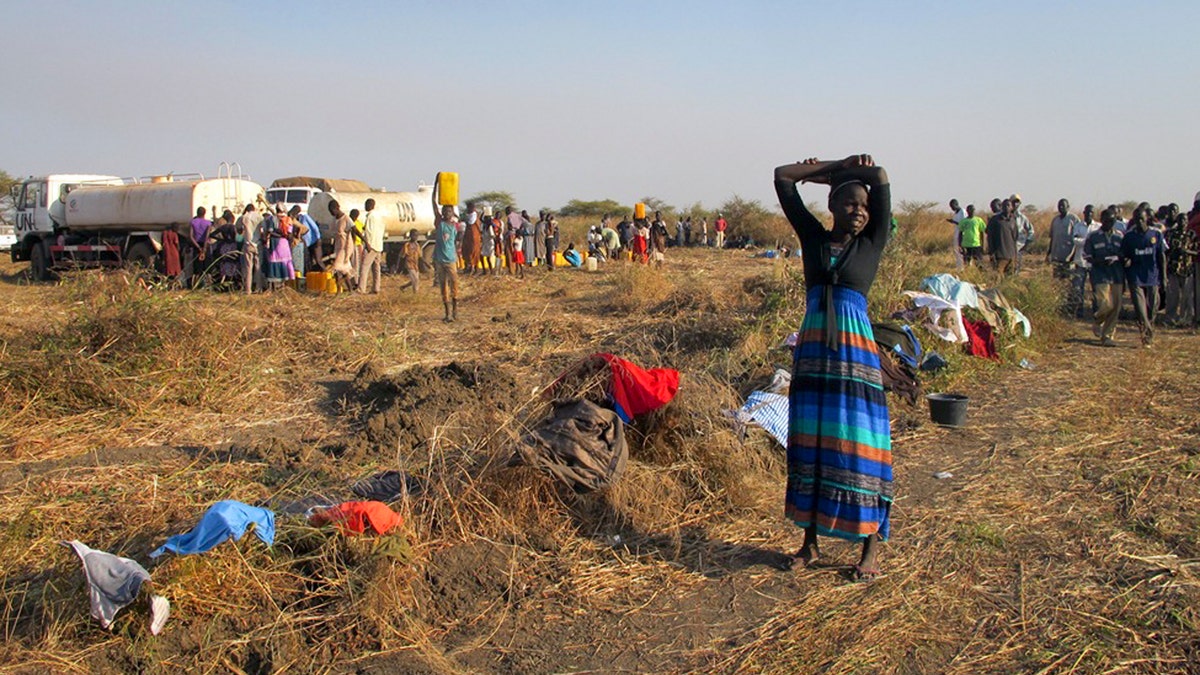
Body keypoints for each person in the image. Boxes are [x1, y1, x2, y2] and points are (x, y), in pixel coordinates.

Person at [774, 154, 893, 581]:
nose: (859, 211)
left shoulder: (873, 242)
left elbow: (879, 178)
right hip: (814, 354)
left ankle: (870, 549)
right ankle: (809, 544)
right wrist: (834, 167)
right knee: (813, 444)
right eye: (848, 204)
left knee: (859, 443)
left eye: (863, 205)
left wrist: (852, 175)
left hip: (856, 355)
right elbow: (783, 179)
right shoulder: (814, 239)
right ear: (831, 206)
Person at [1121, 206, 1166, 347]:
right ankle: (1147, 336)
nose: (1139, 222)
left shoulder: (1156, 234)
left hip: (1152, 276)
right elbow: (1123, 254)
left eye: (1141, 219)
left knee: (1153, 307)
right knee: (1141, 309)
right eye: (1136, 219)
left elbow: (1161, 256)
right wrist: (1125, 259)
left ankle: (1148, 327)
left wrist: (1163, 277)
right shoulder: (1129, 236)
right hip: (1135, 277)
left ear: (1147, 219)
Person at [1084, 208, 1125, 346]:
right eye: (1107, 220)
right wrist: (1100, 261)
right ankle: (1097, 320)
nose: (1109, 223)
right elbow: (1087, 256)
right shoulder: (1093, 236)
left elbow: (1125, 254)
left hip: (1116, 274)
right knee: (1105, 304)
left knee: (1116, 306)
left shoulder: (1119, 236)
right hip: (1100, 274)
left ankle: (1107, 336)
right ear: (1102, 220)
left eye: (1112, 221)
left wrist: (1118, 258)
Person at [1164, 207, 1198, 326]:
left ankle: (1186, 319)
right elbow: (1165, 251)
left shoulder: (1191, 234)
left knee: (1187, 297)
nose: (1182, 222)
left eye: (1184, 220)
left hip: (1187, 269)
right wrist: (1174, 252)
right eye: (1180, 220)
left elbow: (1197, 251)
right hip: (1173, 269)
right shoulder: (1170, 234)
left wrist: (1186, 252)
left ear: (1187, 221)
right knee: (1172, 296)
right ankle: (1170, 319)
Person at [328, 199, 357, 293]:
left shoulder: (346, 218)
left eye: (332, 210)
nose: (331, 213)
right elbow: (334, 234)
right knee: (344, 270)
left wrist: (363, 243)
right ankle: (348, 290)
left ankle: (339, 288)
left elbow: (355, 231)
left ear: (336, 208)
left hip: (345, 247)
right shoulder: (334, 220)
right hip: (338, 246)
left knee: (336, 267)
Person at [988, 199, 1020, 276]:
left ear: (1012, 207)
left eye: (1008, 205)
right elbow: (990, 237)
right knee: (998, 278)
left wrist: (1015, 257)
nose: (1007, 207)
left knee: (1010, 279)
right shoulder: (995, 220)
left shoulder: (1013, 221)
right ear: (1001, 207)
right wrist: (992, 254)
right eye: (1005, 205)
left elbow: (1015, 238)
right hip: (999, 256)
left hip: (1011, 256)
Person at [236, 204, 263, 294]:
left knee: (248, 267)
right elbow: (264, 230)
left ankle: (248, 289)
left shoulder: (244, 217)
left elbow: (239, 230)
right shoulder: (259, 217)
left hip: (248, 244)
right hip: (258, 244)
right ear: (254, 209)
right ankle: (258, 288)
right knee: (258, 267)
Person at [358, 198, 384, 294]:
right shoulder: (379, 216)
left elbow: (369, 232)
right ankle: (376, 288)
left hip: (371, 245)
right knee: (376, 268)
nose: (365, 206)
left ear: (369, 205)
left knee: (364, 267)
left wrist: (367, 244)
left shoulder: (370, 217)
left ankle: (361, 289)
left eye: (366, 205)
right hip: (379, 244)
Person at [289, 205, 323, 273]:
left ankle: (327, 275)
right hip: (307, 244)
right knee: (308, 262)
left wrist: (318, 238)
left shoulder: (305, 217)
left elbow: (315, 228)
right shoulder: (294, 221)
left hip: (314, 241)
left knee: (318, 260)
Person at [1010, 194, 1034, 272]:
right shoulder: (1005, 216)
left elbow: (1031, 231)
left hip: (1018, 246)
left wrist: (1026, 244)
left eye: (1017, 202)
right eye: (1014, 202)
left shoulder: (1022, 217)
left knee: (1016, 267)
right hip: (1007, 247)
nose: (1015, 204)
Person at [462, 203, 481, 274]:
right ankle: (469, 267)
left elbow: (471, 222)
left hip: (474, 237)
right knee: (467, 250)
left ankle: (474, 267)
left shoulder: (474, 215)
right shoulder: (468, 215)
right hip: (468, 237)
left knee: (473, 251)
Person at [947, 198, 966, 270]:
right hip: (956, 233)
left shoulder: (962, 212)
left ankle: (963, 267)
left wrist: (954, 222)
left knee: (961, 250)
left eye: (952, 206)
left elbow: (963, 224)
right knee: (956, 250)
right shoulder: (956, 213)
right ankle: (959, 267)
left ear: (956, 204)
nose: (951, 208)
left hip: (961, 234)